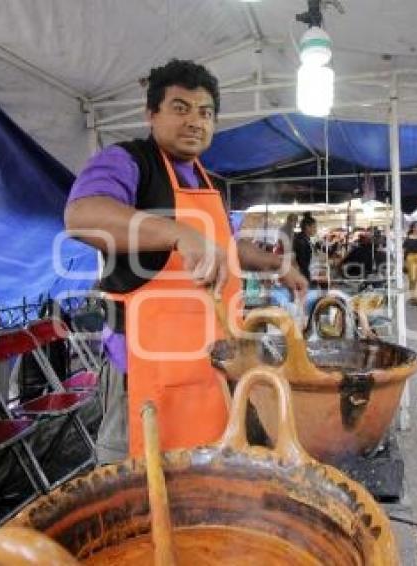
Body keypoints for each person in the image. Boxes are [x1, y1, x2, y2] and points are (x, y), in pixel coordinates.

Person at [65, 59, 307, 463]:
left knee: (201, 483)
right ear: (151, 113)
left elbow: (224, 246)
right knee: (141, 492)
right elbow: (82, 215)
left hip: (209, 367)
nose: (195, 121)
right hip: (145, 374)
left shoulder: (205, 178)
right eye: (180, 108)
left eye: (205, 112)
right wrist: (178, 233)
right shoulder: (127, 162)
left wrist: (276, 265)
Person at [293, 213, 317, 283]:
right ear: (307, 227)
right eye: (314, 227)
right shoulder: (301, 241)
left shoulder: (304, 239)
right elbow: (302, 263)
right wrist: (307, 278)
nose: (315, 230)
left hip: (301, 273)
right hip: (300, 275)